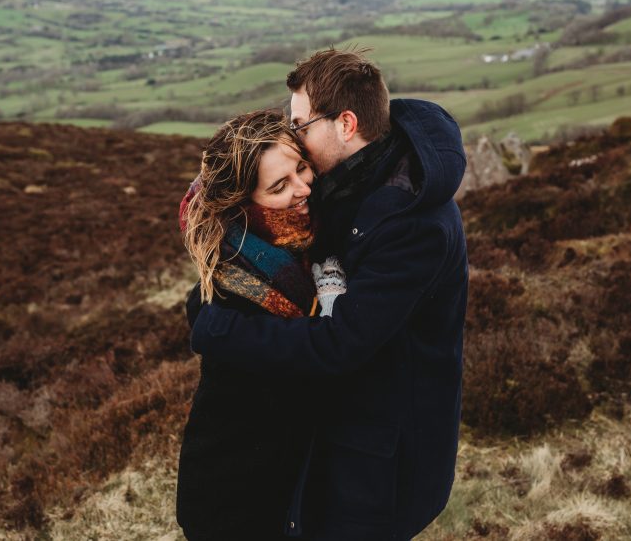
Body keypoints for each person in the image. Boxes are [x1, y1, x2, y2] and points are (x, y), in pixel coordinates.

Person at [190, 48, 469, 540]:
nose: (293, 135)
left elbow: (340, 343)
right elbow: (237, 194)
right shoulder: (351, 180)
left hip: (386, 455)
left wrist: (219, 329)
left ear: (345, 124)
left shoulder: (412, 223)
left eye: (300, 125)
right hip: (340, 444)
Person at [176, 109, 345, 541]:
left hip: (292, 488)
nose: (303, 188)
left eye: (301, 168)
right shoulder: (233, 289)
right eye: (279, 186)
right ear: (243, 202)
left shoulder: (309, 242)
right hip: (236, 501)